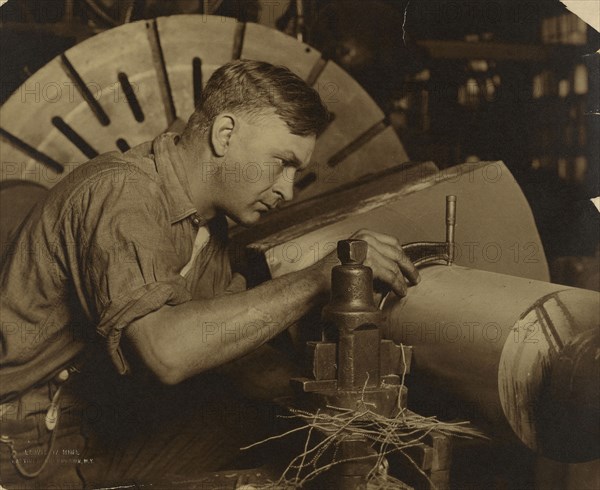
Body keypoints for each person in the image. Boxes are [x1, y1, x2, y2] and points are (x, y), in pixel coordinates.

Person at [0, 59, 419, 488]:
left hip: (89, 432)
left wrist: (361, 403)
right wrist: (317, 279)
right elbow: (168, 353)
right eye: (282, 162)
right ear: (225, 135)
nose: (287, 189)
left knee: (273, 432)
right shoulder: (123, 193)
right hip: (23, 452)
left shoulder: (206, 227)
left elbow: (243, 363)